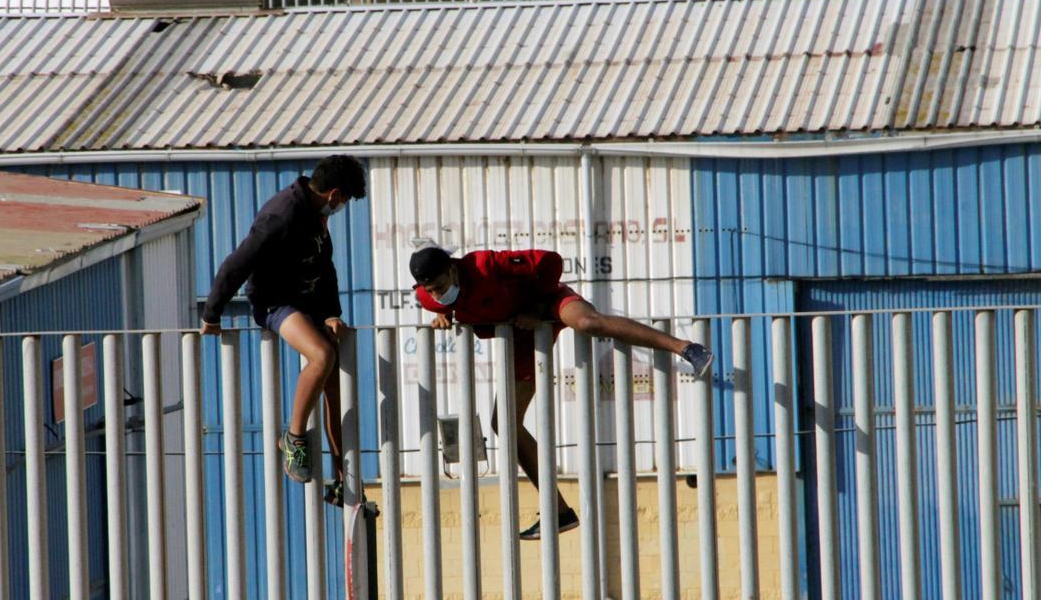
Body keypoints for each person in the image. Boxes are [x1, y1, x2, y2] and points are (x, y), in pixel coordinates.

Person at [409, 246, 713, 539]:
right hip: (520, 334)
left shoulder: (486, 265)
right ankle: (559, 512)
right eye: (430, 290)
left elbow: (550, 261)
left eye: (439, 286)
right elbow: (450, 305)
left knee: (588, 322)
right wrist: (444, 313)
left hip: (547, 305)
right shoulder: (430, 298)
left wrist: (537, 308)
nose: (436, 294)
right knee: (504, 425)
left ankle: (687, 349)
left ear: (452, 269)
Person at [201, 155, 366, 504]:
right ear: (335, 195)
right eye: (346, 200)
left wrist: (332, 313)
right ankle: (294, 438)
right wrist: (212, 314)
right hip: (275, 304)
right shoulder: (282, 215)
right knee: (321, 357)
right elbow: (236, 264)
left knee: (334, 380)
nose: (344, 207)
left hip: (308, 304)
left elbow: (325, 266)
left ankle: (341, 477)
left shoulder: (316, 210)